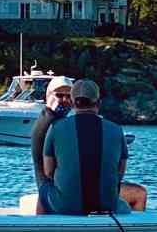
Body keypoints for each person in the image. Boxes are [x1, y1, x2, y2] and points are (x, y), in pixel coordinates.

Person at [41, 78, 128, 216]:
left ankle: (43, 231)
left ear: (72, 101)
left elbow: (48, 172)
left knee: (44, 189)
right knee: (126, 205)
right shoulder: (117, 130)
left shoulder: (56, 128)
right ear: (98, 102)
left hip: (66, 206)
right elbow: (120, 172)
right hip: (107, 206)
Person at [29, 76, 73, 186]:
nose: (65, 100)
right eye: (59, 95)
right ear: (48, 96)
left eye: (69, 96)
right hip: (52, 189)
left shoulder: (46, 116)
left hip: (47, 186)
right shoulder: (52, 123)